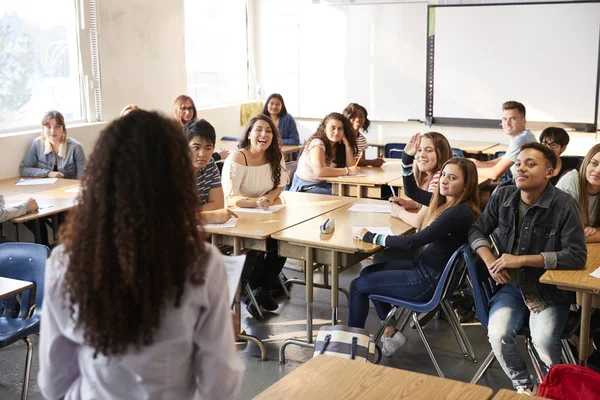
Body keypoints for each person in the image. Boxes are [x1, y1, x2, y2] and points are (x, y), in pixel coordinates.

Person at [38, 110, 244, 400]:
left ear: (101, 179)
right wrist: (226, 341)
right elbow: (219, 388)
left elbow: (53, 384)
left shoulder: (65, 262)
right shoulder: (203, 263)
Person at [468, 142, 586, 395]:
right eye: (519, 163)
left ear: (550, 172)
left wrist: (522, 260)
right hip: (511, 288)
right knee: (498, 334)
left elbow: (576, 256)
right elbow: (477, 230)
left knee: (544, 342)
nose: (520, 168)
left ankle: (558, 388)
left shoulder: (565, 205)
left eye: (530, 164)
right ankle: (524, 385)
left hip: (548, 291)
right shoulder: (502, 195)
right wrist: (490, 260)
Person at [349, 157, 480, 357]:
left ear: (466, 185)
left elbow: (413, 242)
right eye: (443, 174)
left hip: (426, 281)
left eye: (452, 178)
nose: (444, 180)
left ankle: (350, 349)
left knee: (358, 286)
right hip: (428, 273)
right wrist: (407, 160)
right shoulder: (454, 205)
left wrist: (371, 236)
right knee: (367, 271)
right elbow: (413, 192)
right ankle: (390, 331)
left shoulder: (456, 213)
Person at [221, 114, 289, 318]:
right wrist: (255, 203)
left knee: (281, 243)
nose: (264, 134)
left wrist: (268, 197)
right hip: (238, 217)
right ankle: (256, 293)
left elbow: (280, 185)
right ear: (249, 134)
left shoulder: (275, 156)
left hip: (265, 214)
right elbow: (230, 198)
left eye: (268, 131)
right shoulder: (237, 158)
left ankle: (260, 292)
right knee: (257, 249)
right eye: (258, 129)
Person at [390, 132, 453, 228]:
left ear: (441, 153)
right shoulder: (436, 175)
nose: (422, 155)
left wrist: (398, 212)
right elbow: (434, 201)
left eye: (428, 150)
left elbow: (418, 222)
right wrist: (412, 204)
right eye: (419, 150)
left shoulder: (439, 178)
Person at [289, 112, 360, 194]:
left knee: (351, 194)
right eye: (332, 128)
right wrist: (347, 171)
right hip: (306, 186)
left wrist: (347, 145)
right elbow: (319, 172)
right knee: (340, 196)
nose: (336, 132)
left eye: (340, 128)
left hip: (326, 185)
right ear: (324, 129)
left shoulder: (339, 146)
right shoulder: (317, 143)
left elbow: (351, 168)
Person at [186, 119, 236, 224]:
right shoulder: (174, 170)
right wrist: (210, 216)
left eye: (208, 148)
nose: (202, 154)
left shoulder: (209, 163)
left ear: (213, 148)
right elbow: (173, 217)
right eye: (196, 147)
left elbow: (218, 204)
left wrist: (192, 215)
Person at [471, 101, 537, 180]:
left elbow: (494, 174)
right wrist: (479, 164)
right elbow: (504, 159)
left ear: (523, 121)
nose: (507, 123)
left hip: (525, 189)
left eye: (513, 119)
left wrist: (468, 170)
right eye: (505, 119)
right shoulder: (525, 135)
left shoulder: (520, 140)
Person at [20, 110, 86, 179]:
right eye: (48, 127)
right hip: (47, 188)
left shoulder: (76, 147)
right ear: (43, 129)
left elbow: (82, 178)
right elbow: (24, 169)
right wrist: (48, 173)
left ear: (63, 129)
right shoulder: (37, 144)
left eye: (57, 126)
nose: (52, 131)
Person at [556, 143, 600, 243]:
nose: (598, 170)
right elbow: (565, 235)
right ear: (586, 162)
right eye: (594, 163)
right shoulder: (571, 180)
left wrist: (595, 231)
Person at [173, 95, 229, 162]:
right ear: (177, 110)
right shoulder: (173, 132)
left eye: (190, 108)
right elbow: (190, 158)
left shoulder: (197, 127)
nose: (187, 112)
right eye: (183, 108)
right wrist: (218, 155)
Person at [342, 103, 384, 167]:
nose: (358, 119)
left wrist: (375, 162)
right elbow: (346, 161)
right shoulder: (342, 138)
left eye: (361, 116)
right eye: (353, 116)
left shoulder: (362, 139)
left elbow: (362, 161)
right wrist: (372, 162)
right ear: (347, 118)